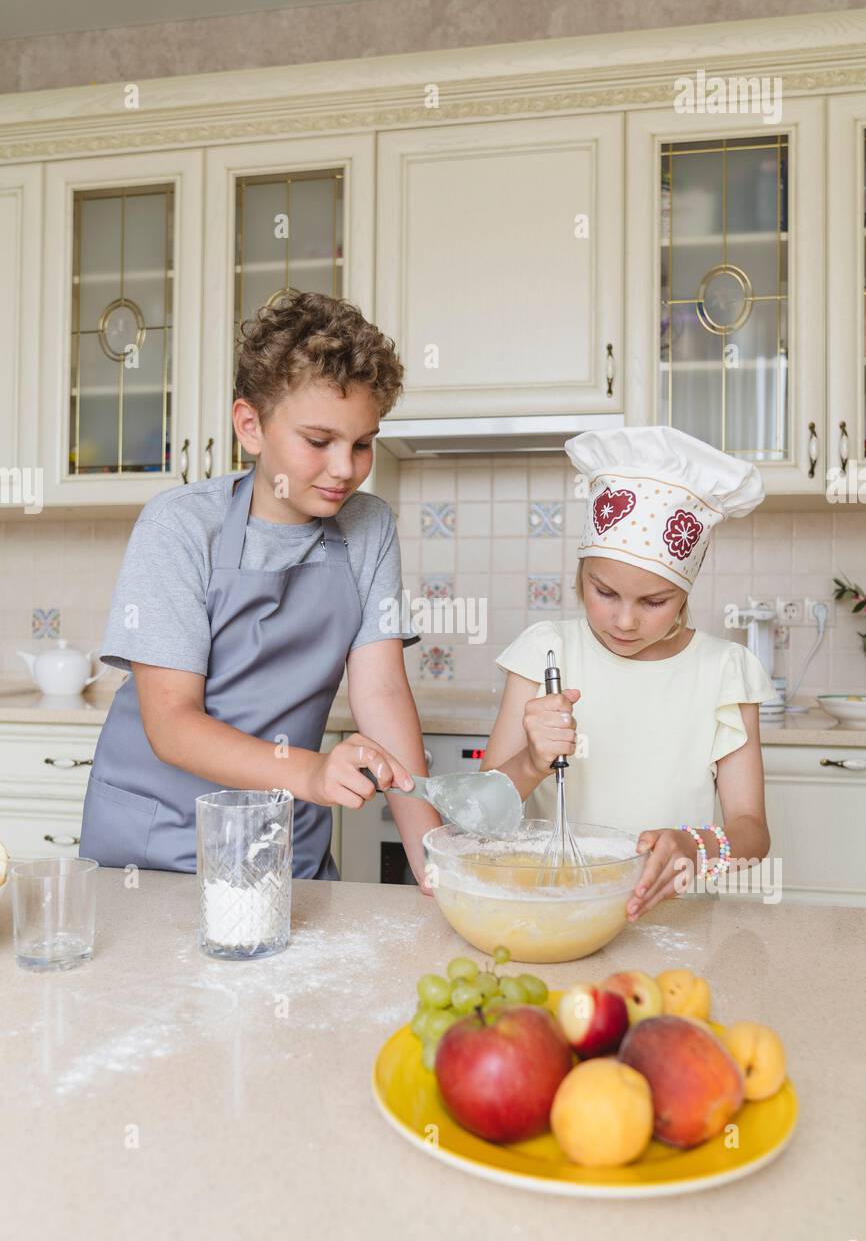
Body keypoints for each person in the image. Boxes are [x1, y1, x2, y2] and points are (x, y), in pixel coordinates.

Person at [79, 291, 440, 882]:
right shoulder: (181, 526)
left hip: (282, 847)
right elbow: (171, 722)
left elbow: (383, 698)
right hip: (157, 856)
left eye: (362, 443)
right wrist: (310, 774)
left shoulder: (368, 526)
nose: (345, 468)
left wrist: (436, 865)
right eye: (319, 441)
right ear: (251, 426)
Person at [483, 424, 778, 918]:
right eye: (605, 592)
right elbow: (482, 818)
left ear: (685, 592)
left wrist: (695, 846)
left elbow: (752, 834)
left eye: (654, 601)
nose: (624, 620)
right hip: (557, 914)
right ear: (582, 576)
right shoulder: (546, 652)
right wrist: (533, 761)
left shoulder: (725, 671)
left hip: (677, 924)